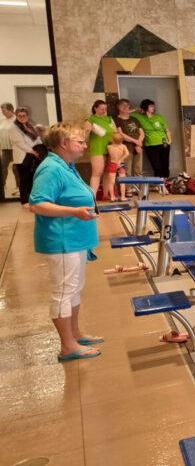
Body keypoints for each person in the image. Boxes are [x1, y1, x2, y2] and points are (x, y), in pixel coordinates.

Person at [29, 122, 103, 360]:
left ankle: (75, 333)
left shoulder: (67, 165)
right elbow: (37, 204)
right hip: (62, 240)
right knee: (63, 291)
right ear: (63, 143)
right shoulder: (51, 168)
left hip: (74, 239)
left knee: (74, 288)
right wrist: (73, 212)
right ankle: (67, 346)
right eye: (79, 141)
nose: (84, 145)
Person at [11, 107, 43, 208]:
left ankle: (33, 199)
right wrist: (32, 151)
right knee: (24, 180)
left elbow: (37, 139)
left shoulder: (30, 126)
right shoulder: (14, 128)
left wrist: (40, 149)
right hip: (22, 157)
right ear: (16, 116)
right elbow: (19, 142)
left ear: (27, 116)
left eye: (24, 115)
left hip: (32, 156)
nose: (22, 117)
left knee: (32, 178)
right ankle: (24, 201)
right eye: (19, 116)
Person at [131, 99, 172, 178]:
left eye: (153, 106)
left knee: (165, 164)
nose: (153, 108)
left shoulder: (159, 117)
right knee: (156, 166)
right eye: (151, 106)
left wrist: (169, 141)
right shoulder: (139, 117)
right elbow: (125, 113)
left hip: (163, 143)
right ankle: (161, 185)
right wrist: (136, 109)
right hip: (150, 145)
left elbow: (166, 130)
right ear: (145, 107)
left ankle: (165, 184)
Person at [86, 100, 115, 196]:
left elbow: (115, 133)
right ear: (95, 108)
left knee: (107, 172)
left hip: (110, 147)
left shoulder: (109, 119)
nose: (104, 111)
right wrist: (88, 130)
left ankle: (106, 195)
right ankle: (92, 197)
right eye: (102, 109)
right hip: (98, 148)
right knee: (97, 172)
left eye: (105, 109)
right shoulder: (90, 120)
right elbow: (85, 135)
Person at [112, 98, 144, 176]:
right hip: (125, 146)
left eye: (127, 105)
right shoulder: (116, 119)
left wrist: (138, 143)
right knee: (126, 169)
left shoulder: (134, 119)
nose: (126, 107)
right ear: (118, 107)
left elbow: (142, 133)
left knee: (138, 169)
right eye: (123, 105)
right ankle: (128, 188)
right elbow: (120, 134)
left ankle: (140, 188)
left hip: (138, 146)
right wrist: (135, 141)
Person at [105, 133, 129, 201]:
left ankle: (112, 197)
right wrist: (120, 159)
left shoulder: (109, 147)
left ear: (112, 139)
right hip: (121, 164)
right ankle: (123, 197)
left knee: (111, 181)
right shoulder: (123, 146)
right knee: (122, 182)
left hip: (113, 164)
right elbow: (127, 153)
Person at [0, 103, 15, 197]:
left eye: (4, 110)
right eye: (1, 110)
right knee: (2, 167)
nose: (2, 112)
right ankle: (2, 185)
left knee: (16, 168)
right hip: (5, 148)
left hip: (15, 148)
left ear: (10, 110)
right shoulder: (2, 121)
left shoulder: (16, 120)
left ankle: (18, 187)